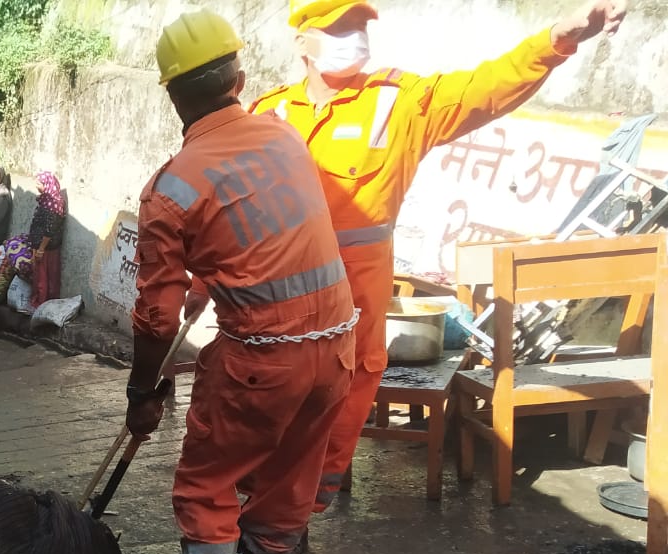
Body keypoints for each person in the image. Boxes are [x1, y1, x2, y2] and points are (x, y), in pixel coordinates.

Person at [249, 0, 628, 524]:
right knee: (267, 406)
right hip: (278, 301)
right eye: (337, 27)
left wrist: (557, 40)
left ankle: (288, 527)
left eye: (358, 26)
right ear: (302, 41)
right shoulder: (267, 115)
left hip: (355, 305)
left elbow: (483, 89)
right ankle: (259, 517)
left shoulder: (397, 103)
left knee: (337, 409)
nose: (352, 37)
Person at [127, 9, 356, 554]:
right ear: (239, 76)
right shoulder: (286, 139)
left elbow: (155, 319)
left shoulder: (171, 188)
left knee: (208, 480)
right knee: (291, 469)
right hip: (337, 347)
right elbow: (266, 244)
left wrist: (143, 389)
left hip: (262, 361)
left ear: (172, 94)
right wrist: (217, 283)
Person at [27, 171, 65, 309]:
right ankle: (39, 302)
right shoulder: (45, 200)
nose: (37, 186)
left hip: (47, 248)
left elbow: (50, 229)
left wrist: (41, 249)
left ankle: (43, 304)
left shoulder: (54, 204)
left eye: (39, 183)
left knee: (45, 278)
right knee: (39, 277)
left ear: (48, 184)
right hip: (39, 245)